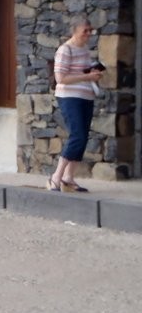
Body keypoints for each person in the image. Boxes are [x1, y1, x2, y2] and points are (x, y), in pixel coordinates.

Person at [48, 17, 102, 193]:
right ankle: (57, 176)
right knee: (77, 135)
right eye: (85, 31)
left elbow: (81, 70)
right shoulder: (65, 50)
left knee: (83, 136)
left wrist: (92, 72)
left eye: (90, 30)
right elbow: (61, 78)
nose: (88, 34)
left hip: (86, 96)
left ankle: (68, 178)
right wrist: (87, 77)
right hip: (70, 96)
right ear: (75, 31)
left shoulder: (84, 50)